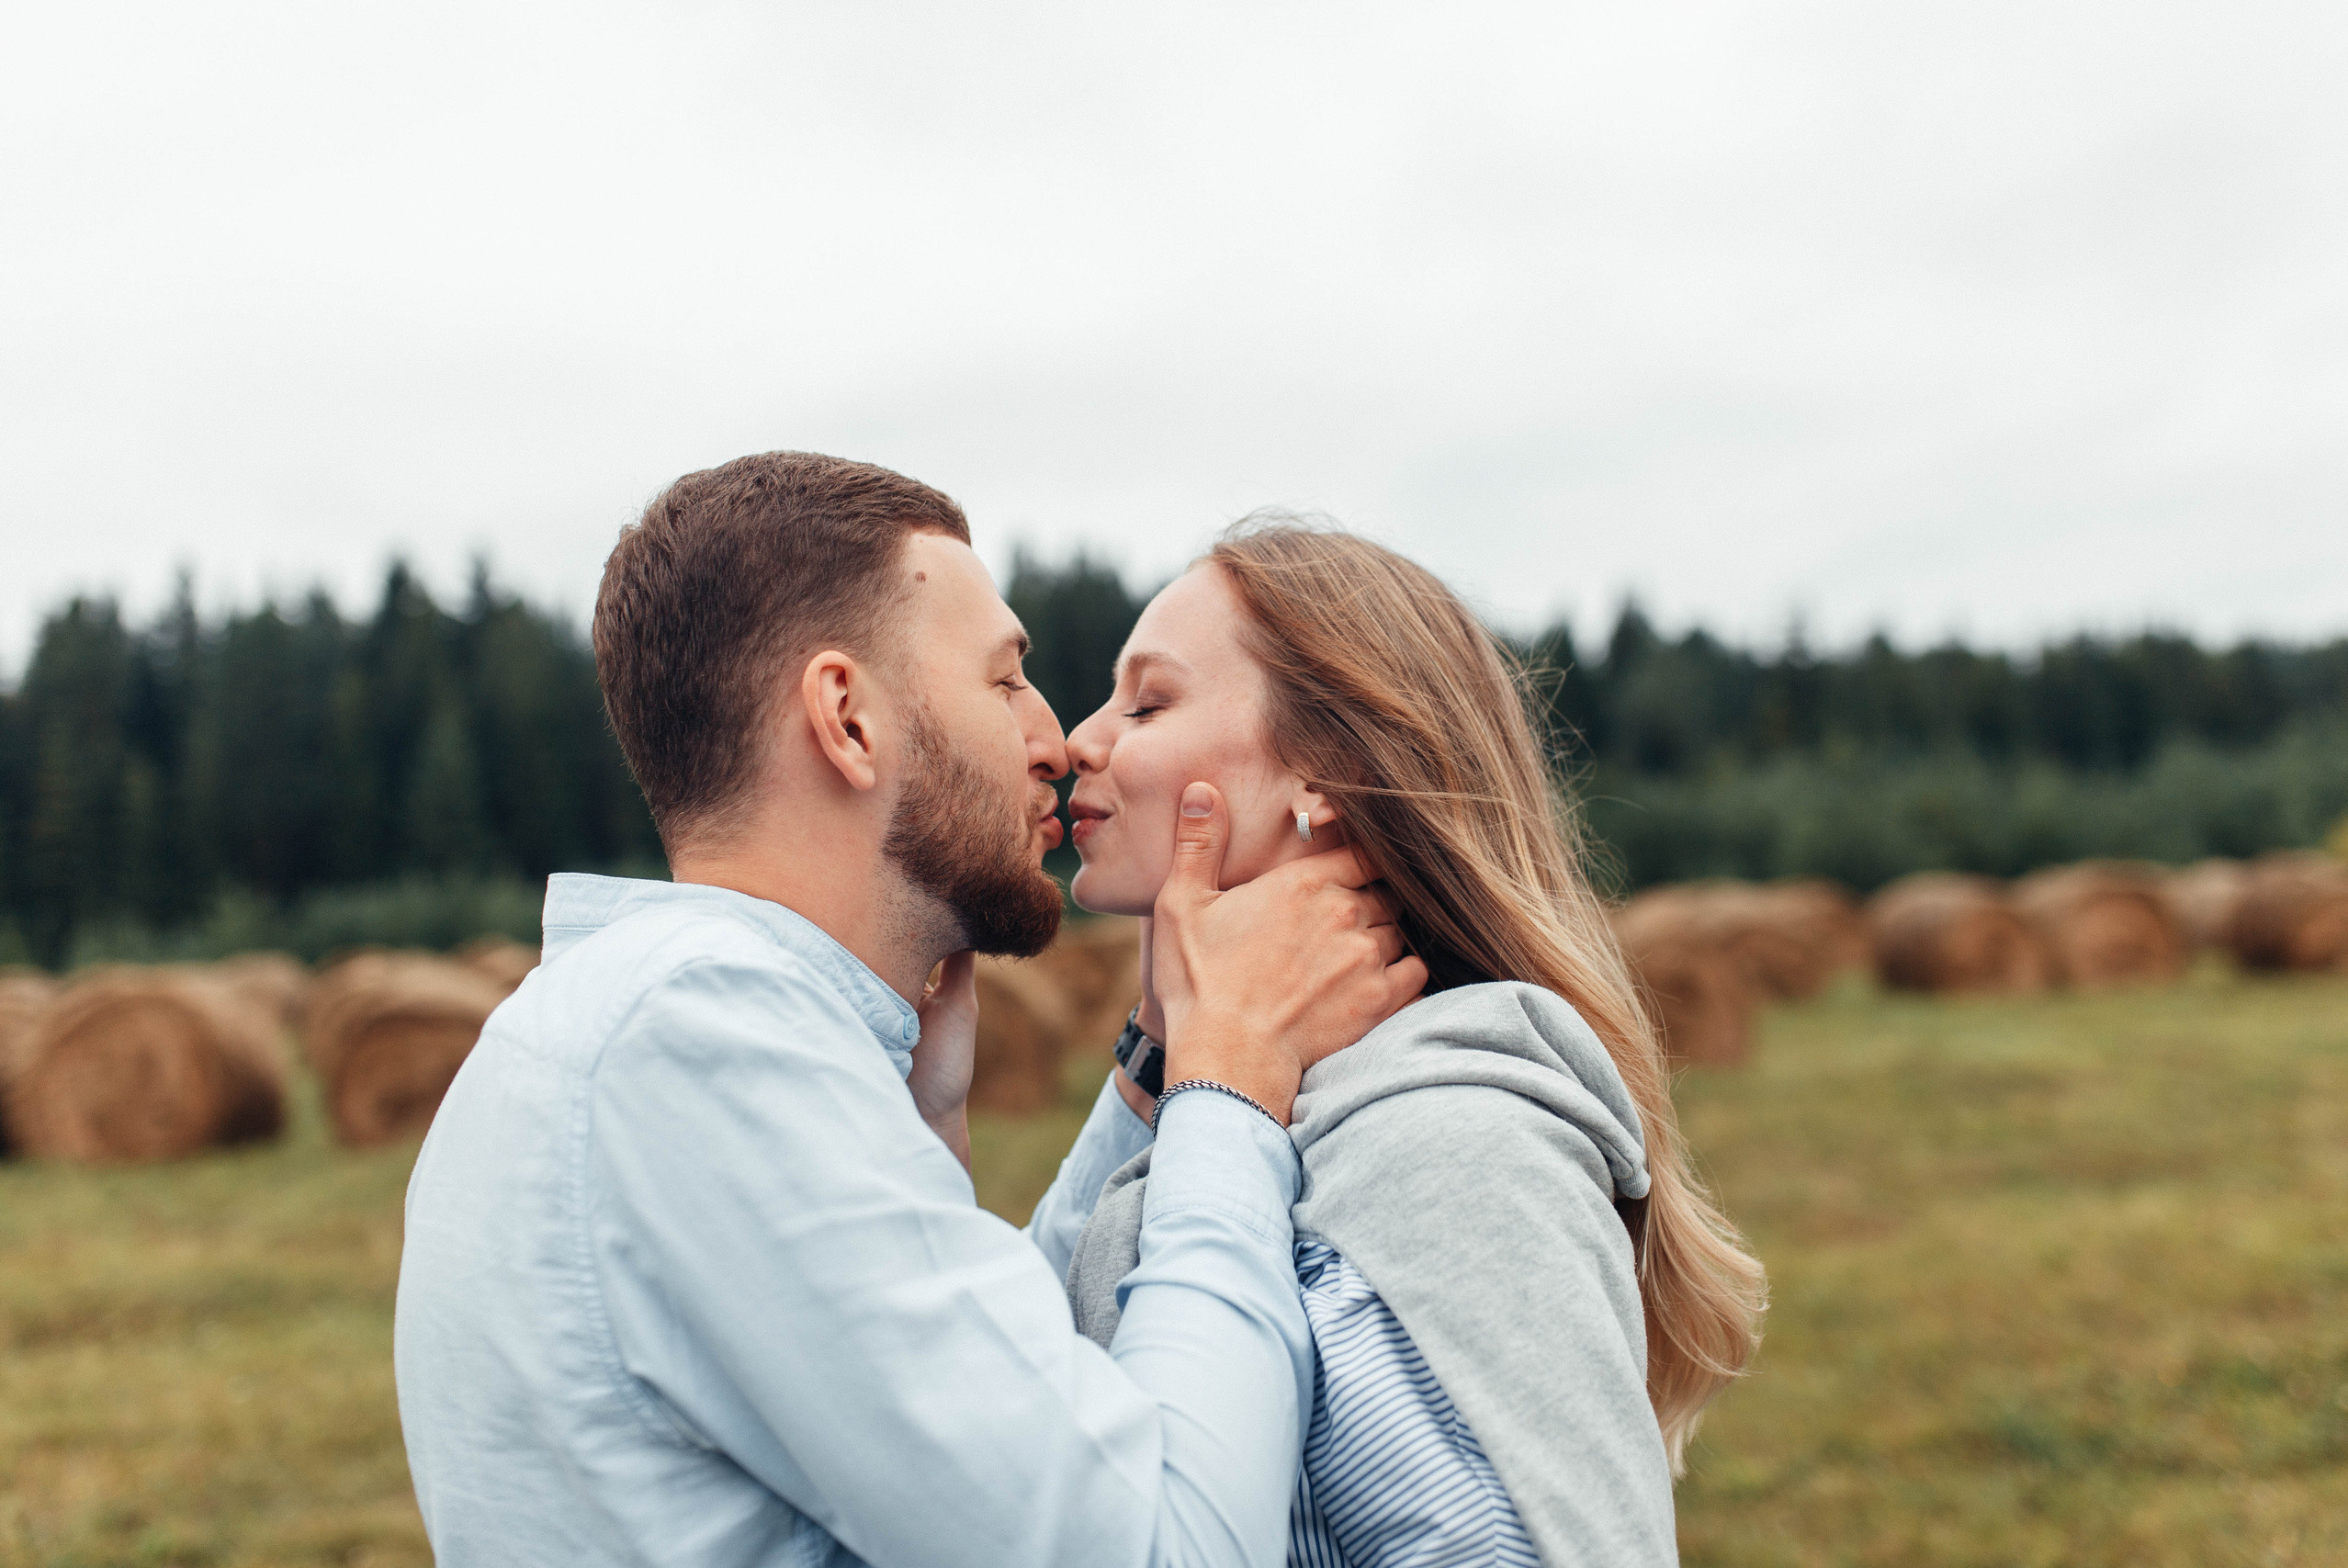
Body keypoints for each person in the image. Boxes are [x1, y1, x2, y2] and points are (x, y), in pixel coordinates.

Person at [393, 454, 1427, 1567]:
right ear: (846, 718)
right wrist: (1231, 1085)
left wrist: (1135, 1075)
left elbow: (991, 1429)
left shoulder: (633, 1025)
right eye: (1002, 681)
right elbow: (1161, 1542)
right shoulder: (703, 1048)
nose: (1058, 739)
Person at [1060, 519, 1768, 1567]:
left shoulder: (1451, 1147)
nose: (1080, 738)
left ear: (1325, 774)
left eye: (1148, 700)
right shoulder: (1244, 1097)